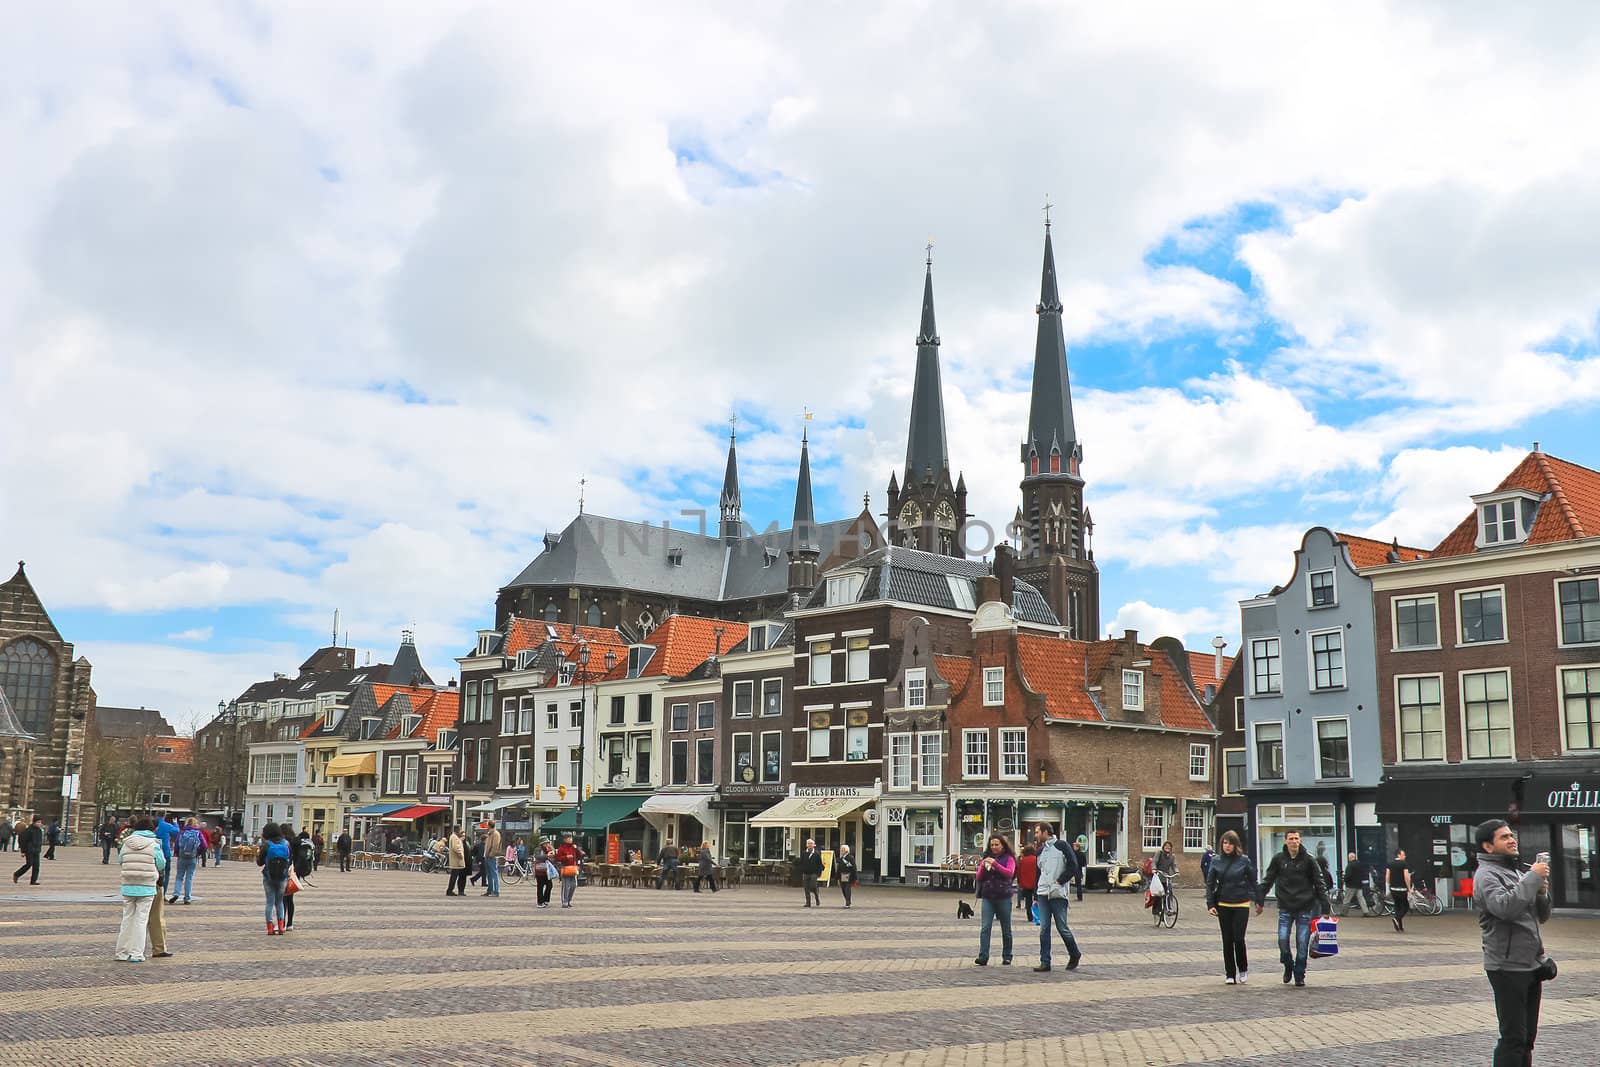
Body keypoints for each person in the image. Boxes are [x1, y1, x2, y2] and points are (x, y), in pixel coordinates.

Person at [1473, 819, 1551, 1067]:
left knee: (1527, 1038)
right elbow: (1504, 908)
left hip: (1530, 964)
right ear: (1488, 846)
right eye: (1504, 837)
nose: (1511, 839)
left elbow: (1542, 916)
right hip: (1506, 967)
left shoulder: (1515, 872)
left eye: (1511, 835)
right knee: (1513, 1037)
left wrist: (1541, 893)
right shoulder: (1486, 876)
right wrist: (1531, 880)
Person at [1255, 829, 1330, 988]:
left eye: (1296, 838)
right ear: (1286, 841)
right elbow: (1268, 879)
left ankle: (1299, 973)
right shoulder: (1279, 859)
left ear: (1300, 840)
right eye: (1291, 839)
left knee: (1302, 943)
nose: (1294, 841)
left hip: (1305, 907)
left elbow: (1319, 883)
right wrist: (1259, 899)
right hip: (1285, 906)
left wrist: (1325, 905)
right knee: (1282, 940)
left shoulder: (1309, 860)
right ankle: (1288, 963)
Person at [1205, 829, 1257, 984]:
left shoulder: (1244, 860)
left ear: (1236, 845)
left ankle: (1243, 968)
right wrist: (1210, 904)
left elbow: (1253, 881)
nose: (1227, 846)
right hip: (1223, 903)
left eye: (1230, 843)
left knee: (1238, 938)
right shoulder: (1216, 861)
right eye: (1225, 843)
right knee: (1227, 940)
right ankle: (1229, 973)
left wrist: (1258, 900)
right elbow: (1210, 884)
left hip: (1241, 903)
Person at [1032, 824, 1083, 973]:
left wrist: (1060, 881)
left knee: (1062, 927)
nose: (1035, 835)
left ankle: (1074, 953)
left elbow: (1073, 866)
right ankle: (1045, 961)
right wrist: (1036, 894)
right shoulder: (1040, 851)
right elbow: (1038, 873)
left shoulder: (1062, 846)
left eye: (1037, 832)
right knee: (1044, 928)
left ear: (1045, 832)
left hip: (1058, 893)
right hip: (1043, 893)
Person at [115, 815, 166, 962]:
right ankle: (136, 953)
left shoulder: (126, 842)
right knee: (141, 920)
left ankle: (121, 952)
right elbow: (161, 863)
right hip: (146, 885)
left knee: (127, 919)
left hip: (128, 884)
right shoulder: (154, 843)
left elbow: (120, 860)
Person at [973, 834, 1017, 967]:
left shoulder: (1009, 858)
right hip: (988, 897)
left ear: (1003, 845)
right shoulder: (986, 857)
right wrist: (982, 865)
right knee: (985, 927)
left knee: (1006, 929)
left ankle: (1007, 955)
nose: (994, 847)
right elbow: (979, 877)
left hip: (1004, 896)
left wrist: (996, 865)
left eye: (996, 844)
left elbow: (1009, 873)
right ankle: (983, 956)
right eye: (992, 845)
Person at [257, 822, 292, 935]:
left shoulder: (267, 845)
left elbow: (259, 862)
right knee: (280, 902)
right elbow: (289, 860)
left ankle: (270, 928)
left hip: (269, 877)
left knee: (269, 902)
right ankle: (281, 926)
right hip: (282, 877)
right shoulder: (286, 844)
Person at [171, 817, 205, 904]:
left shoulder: (182, 832)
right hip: (193, 857)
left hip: (182, 857)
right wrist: (198, 853)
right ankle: (187, 898)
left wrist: (177, 853)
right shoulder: (198, 833)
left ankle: (176, 893)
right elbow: (204, 845)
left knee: (179, 876)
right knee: (189, 878)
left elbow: (177, 844)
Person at [1386, 847, 1413, 933]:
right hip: (1402, 889)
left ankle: (1400, 926)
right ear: (1398, 855)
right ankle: (1396, 918)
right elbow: (1406, 877)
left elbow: (1387, 876)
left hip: (1393, 889)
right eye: (1403, 854)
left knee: (1397, 906)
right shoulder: (1404, 864)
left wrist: (1387, 888)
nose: (1405, 856)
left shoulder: (1390, 864)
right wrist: (1409, 889)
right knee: (1405, 906)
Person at [11, 816, 44, 885]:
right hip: (30, 850)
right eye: (38, 822)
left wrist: (39, 848)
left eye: (40, 822)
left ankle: (33, 881)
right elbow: (22, 840)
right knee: (29, 864)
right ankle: (17, 874)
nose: (39, 824)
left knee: (36, 866)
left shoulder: (39, 831)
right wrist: (23, 851)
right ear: (34, 822)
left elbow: (40, 841)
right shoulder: (29, 830)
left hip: (37, 850)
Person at [554, 835, 583, 908]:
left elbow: (580, 856)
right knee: (566, 886)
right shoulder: (561, 848)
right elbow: (557, 858)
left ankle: (569, 900)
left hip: (573, 868)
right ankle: (565, 901)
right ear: (565, 839)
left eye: (571, 838)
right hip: (565, 868)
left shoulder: (573, 847)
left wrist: (577, 849)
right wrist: (566, 857)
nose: (570, 839)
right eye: (569, 838)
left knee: (573, 885)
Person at [1015, 845, 1039, 924]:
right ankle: (1038, 915)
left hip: (1026, 884)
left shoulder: (1022, 860)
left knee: (1028, 901)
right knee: (1037, 900)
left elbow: (1019, 872)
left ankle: (1029, 916)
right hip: (1036, 883)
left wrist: (1019, 882)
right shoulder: (1036, 859)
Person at [798, 838, 823, 908]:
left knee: (813, 886)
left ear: (814, 845)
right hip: (806, 873)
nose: (810, 845)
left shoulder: (817, 854)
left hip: (814, 873)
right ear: (806, 845)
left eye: (811, 844)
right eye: (808, 844)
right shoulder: (804, 853)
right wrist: (801, 870)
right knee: (806, 888)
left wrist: (819, 873)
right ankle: (808, 903)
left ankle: (817, 897)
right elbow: (801, 862)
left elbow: (820, 864)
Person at [481, 820, 502, 897]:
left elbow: (495, 846)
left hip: (491, 857)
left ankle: (496, 891)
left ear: (489, 825)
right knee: (489, 874)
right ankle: (490, 890)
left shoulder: (495, 834)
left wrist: (491, 854)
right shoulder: (490, 833)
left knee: (494, 873)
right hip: (487, 856)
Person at [446, 826, 469, 897]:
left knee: (454, 875)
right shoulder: (454, 837)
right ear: (457, 830)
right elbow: (456, 848)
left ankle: (450, 890)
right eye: (460, 830)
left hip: (455, 860)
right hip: (456, 860)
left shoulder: (454, 837)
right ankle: (450, 890)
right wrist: (461, 855)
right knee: (454, 876)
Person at [533, 839, 555, 908]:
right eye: (546, 843)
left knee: (549, 885)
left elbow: (553, 859)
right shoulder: (538, 849)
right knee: (540, 886)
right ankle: (540, 902)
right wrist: (547, 855)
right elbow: (538, 857)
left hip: (547, 871)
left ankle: (546, 900)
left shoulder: (549, 849)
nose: (547, 844)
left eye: (548, 843)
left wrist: (552, 853)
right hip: (539, 871)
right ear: (542, 843)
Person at [836, 844, 858, 908]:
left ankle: (847, 903)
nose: (841, 851)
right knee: (843, 889)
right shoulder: (841, 859)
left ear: (846, 851)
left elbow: (853, 868)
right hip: (841, 876)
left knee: (847, 889)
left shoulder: (850, 858)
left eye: (843, 850)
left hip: (849, 876)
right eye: (841, 850)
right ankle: (847, 900)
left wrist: (855, 877)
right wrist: (837, 877)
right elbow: (839, 869)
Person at [1071, 835, 1088, 901]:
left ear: (1077, 847)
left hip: (1076, 870)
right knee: (1078, 884)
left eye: (1074, 846)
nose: (1073, 847)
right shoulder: (1081, 854)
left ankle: (1079, 897)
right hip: (1078, 870)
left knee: (1078, 884)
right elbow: (1084, 863)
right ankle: (1079, 897)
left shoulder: (1074, 854)